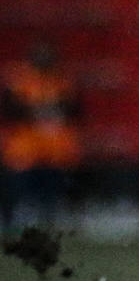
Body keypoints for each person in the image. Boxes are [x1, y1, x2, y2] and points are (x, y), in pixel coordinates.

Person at [1, 40, 83, 229]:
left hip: (56, 148)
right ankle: (15, 221)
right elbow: (10, 110)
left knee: (52, 190)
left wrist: (45, 111)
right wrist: (39, 112)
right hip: (25, 148)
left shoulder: (62, 81)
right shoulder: (19, 80)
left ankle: (50, 220)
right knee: (21, 188)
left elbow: (74, 109)